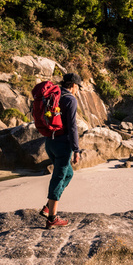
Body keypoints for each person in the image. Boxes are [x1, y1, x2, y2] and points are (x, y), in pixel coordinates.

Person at [40, 73, 82, 229]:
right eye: (78, 87)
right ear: (73, 85)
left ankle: (47, 207)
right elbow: (72, 127)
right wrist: (76, 150)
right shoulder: (70, 99)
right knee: (58, 178)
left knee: (68, 174)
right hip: (62, 145)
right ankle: (52, 218)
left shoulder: (53, 95)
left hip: (49, 142)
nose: (78, 90)